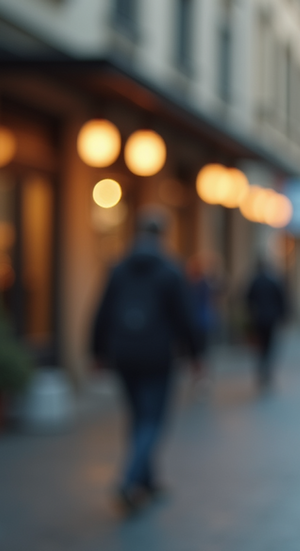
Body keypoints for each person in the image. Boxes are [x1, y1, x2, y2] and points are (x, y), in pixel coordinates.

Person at [90, 208, 204, 513]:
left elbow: (101, 313)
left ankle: (148, 481)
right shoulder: (170, 270)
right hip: (157, 356)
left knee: (139, 417)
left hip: (123, 354)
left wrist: (96, 353)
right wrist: (196, 356)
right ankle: (129, 481)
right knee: (152, 420)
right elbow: (186, 318)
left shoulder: (119, 268)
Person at [245, 262, 286, 391]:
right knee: (269, 344)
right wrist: (282, 315)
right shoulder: (274, 281)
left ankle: (262, 367)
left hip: (258, 318)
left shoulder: (255, 282)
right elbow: (282, 299)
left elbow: (248, 299)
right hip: (271, 318)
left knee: (261, 345)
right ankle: (267, 368)